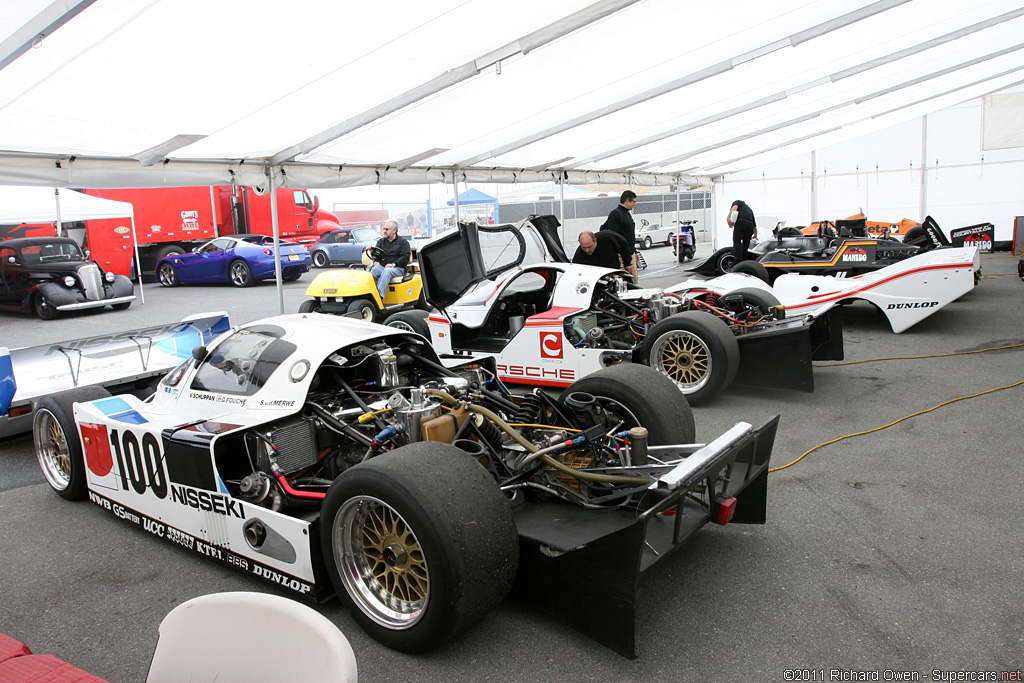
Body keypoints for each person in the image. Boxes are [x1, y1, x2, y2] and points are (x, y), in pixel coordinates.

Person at [600, 190, 639, 283]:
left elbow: (629, 235)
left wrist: (634, 251)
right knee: (628, 281)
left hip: (630, 252)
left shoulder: (626, 214)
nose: (635, 204)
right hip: (622, 255)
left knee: (634, 280)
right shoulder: (616, 214)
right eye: (634, 201)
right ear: (627, 201)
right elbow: (613, 236)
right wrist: (625, 261)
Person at [367, 220, 410, 299]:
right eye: (384, 229)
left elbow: (405, 257)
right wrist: (373, 252)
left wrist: (394, 264)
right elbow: (377, 257)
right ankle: (367, 294)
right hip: (383, 266)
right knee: (372, 271)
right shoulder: (381, 242)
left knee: (387, 271)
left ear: (394, 230)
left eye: (387, 229)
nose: (384, 231)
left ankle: (379, 297)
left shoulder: (403, 242)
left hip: (398, 268)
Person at [727, 199, 756, 264]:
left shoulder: (737, 202)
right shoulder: (750, 210)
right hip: (750, 226)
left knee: (737, 241)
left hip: (741, 223)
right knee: (745, 244)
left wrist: (728, 218)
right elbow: (754, 226)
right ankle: (744, 261)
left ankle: (737, 261)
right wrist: (755, 235)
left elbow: (734, 209)